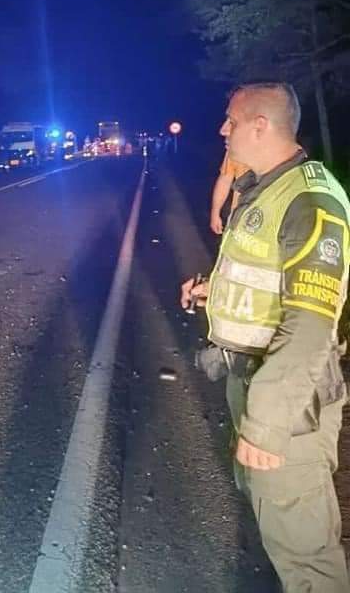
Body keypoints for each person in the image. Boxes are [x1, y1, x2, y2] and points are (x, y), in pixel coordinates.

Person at [181, 82, 350, 592]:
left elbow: (311, 324)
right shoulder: (266, 187)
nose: (222, 130)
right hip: (254, 380)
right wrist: (216, 290)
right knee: (280, 531)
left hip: (289, 402)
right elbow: (269, 277)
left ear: (261, 126)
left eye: (231, 121)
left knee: (305, 555)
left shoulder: (310, 200)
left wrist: (268, 422)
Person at [210, 150, 250, 234]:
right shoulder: (237, 146)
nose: (225, 138)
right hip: (237, 220)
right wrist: (215, 212)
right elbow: (225, 179)